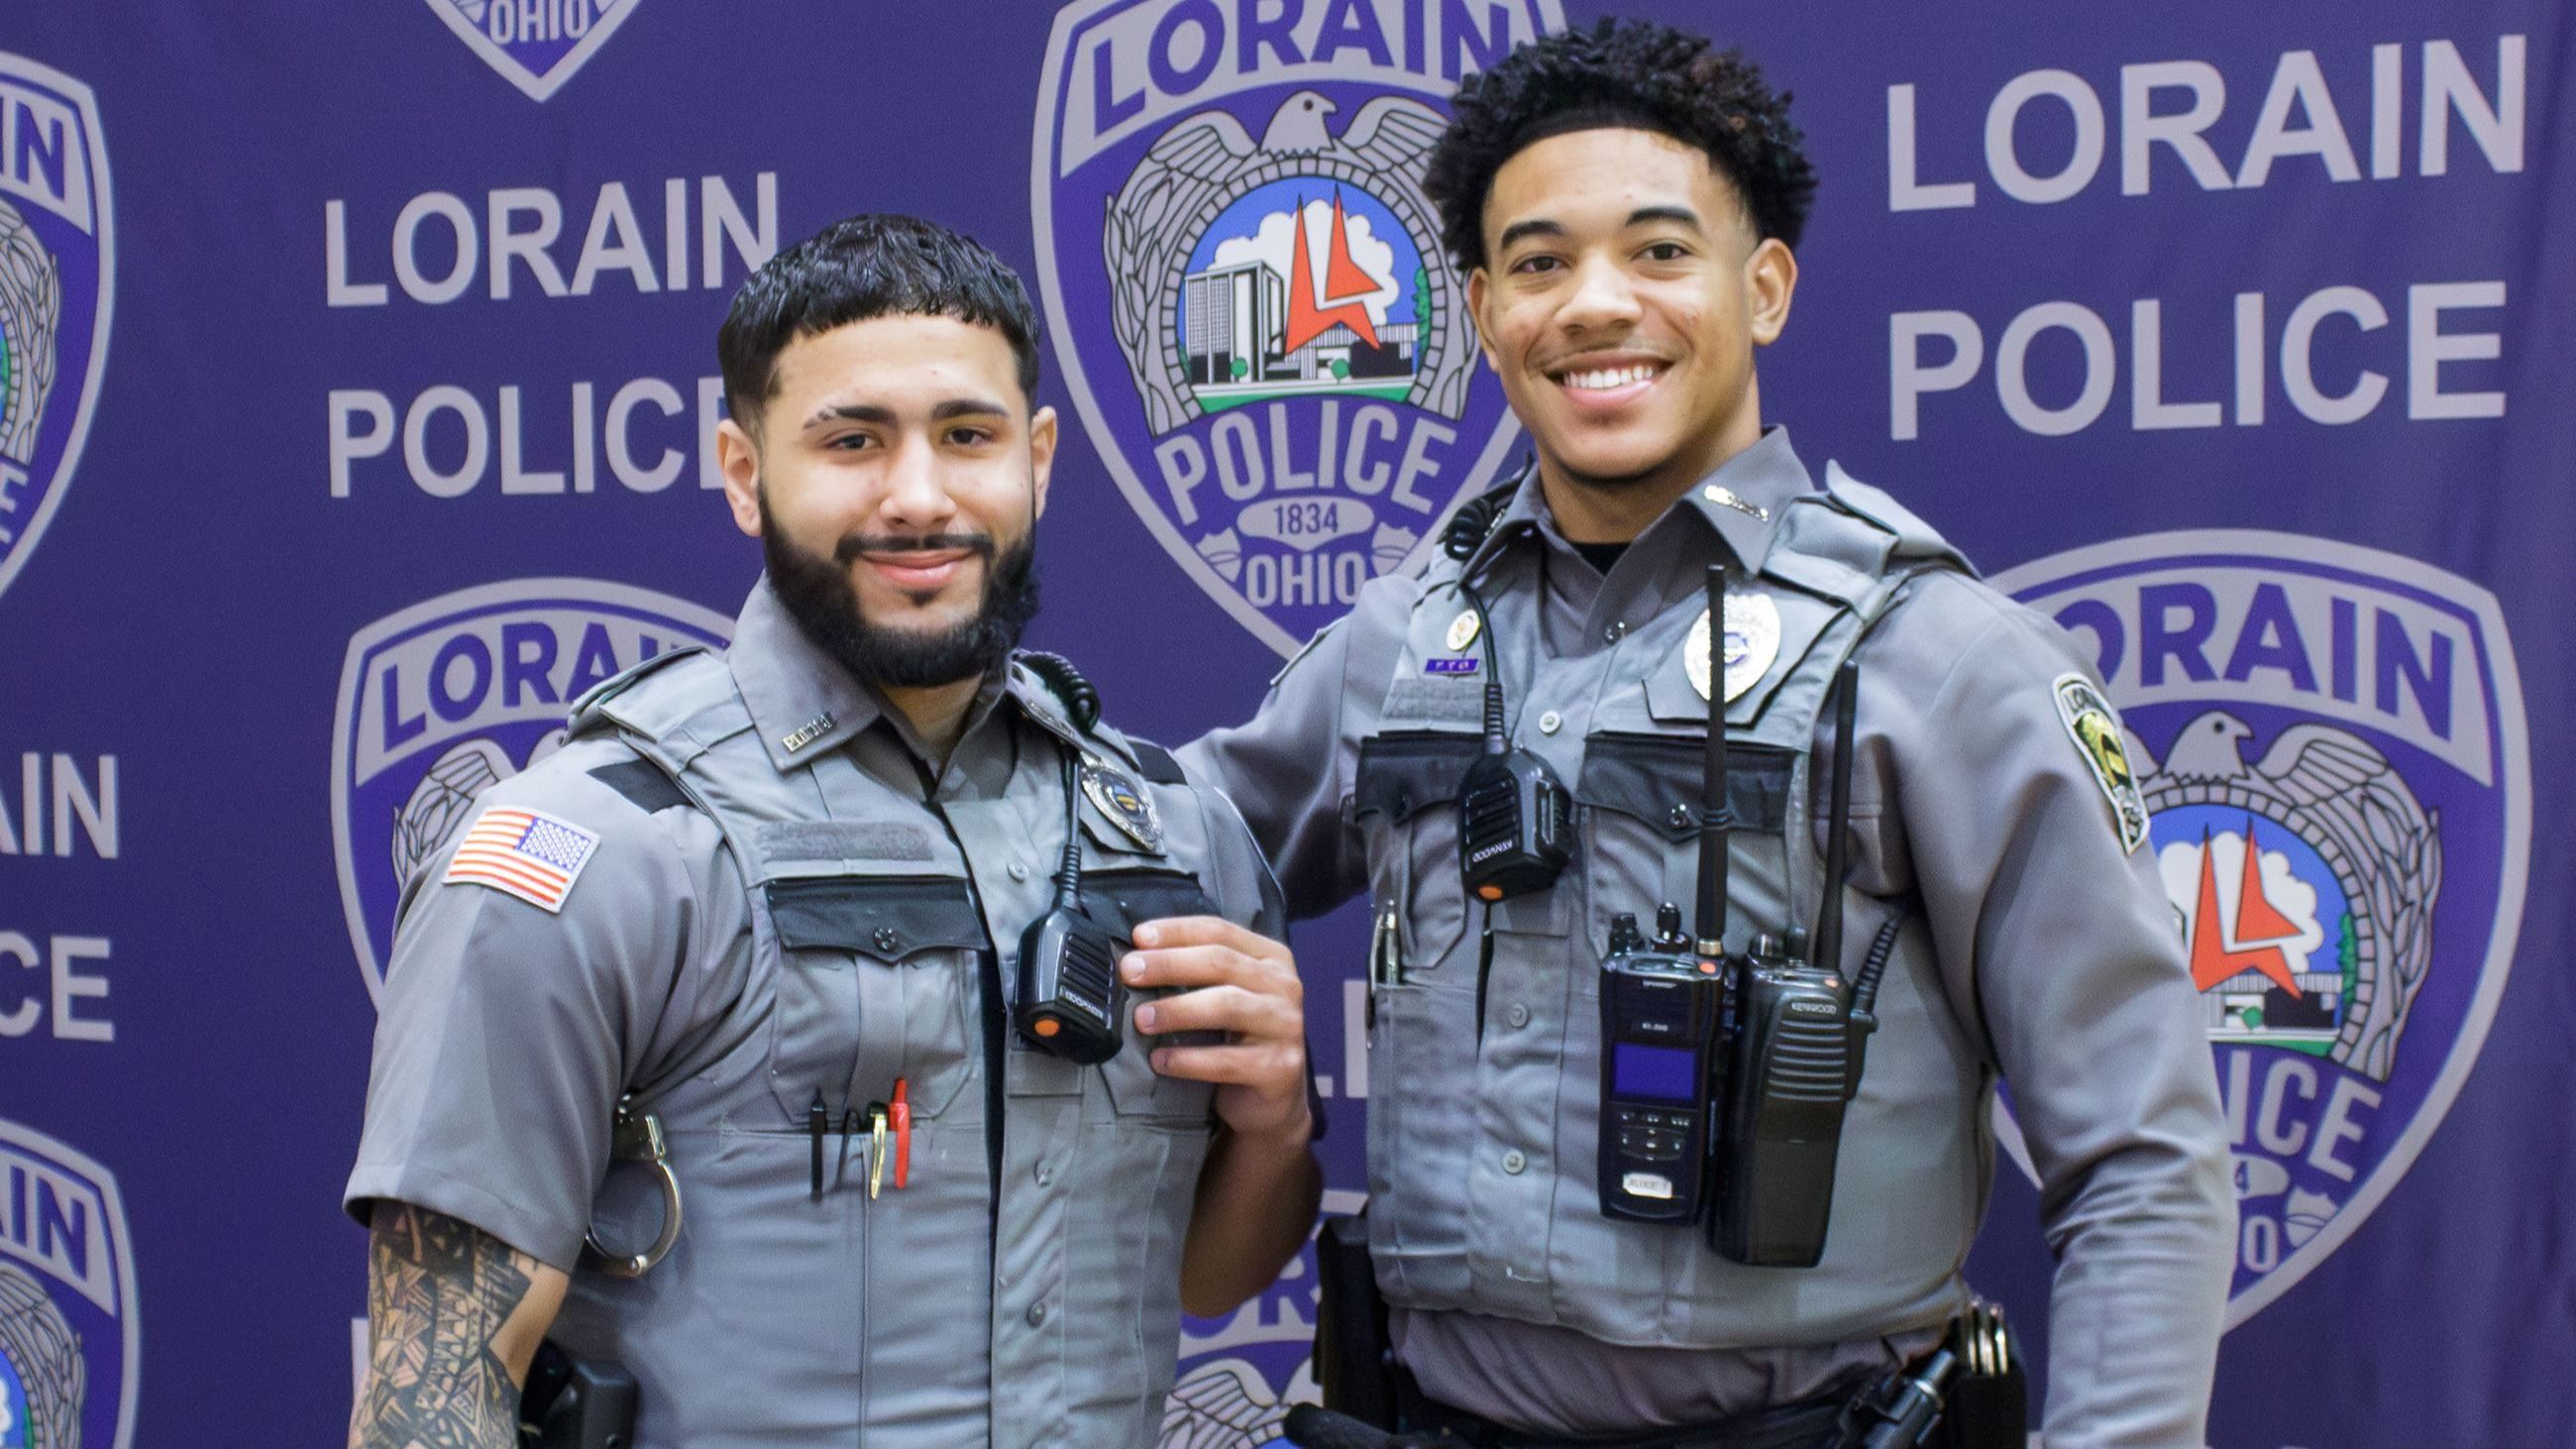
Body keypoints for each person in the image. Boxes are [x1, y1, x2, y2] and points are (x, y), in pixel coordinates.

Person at [1182, 20, 2232, 1447]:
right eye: (1541, 263)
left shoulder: (1937, 658)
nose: (1597, 306)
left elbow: (2143, 1154)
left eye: (1661, 253)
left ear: (1767, 286)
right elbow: (1176, 840)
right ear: (1485, 309)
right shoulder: (1408, 636)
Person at [344, 214, 1321, 1448]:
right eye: (851, 441)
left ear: (1038, 459)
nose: (918, 497)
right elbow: (434, 1399)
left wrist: (1274, 1124)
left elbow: (1208, 1281)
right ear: (744, 470)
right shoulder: (596, 846)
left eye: (966, 436)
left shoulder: (1171, 835)